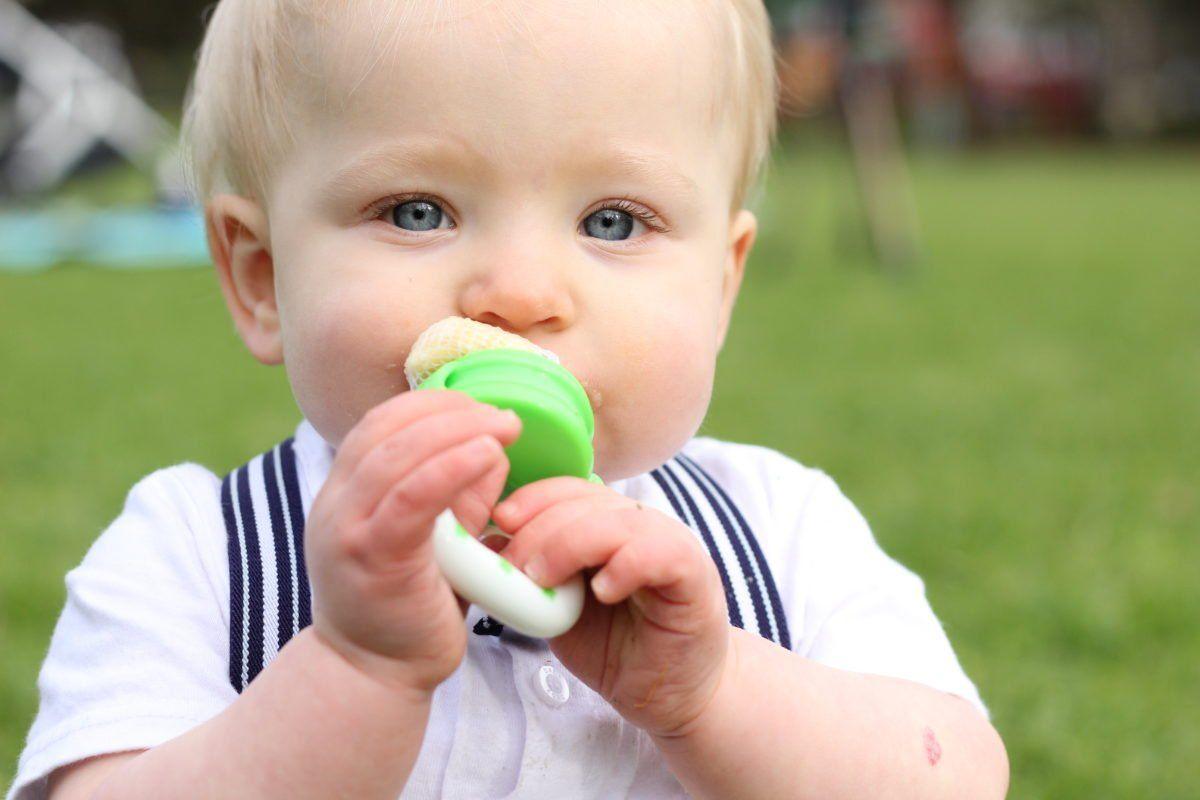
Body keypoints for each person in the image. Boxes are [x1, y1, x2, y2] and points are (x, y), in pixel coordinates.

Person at [7, 1, 1008, 797]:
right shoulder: (199, 554)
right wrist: (352, 668)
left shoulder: (782, 532)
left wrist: (710, 691)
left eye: (614, 220)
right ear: (263, 277)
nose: (521, 292)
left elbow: (956, 773)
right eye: (417, 210)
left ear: (719, 288)